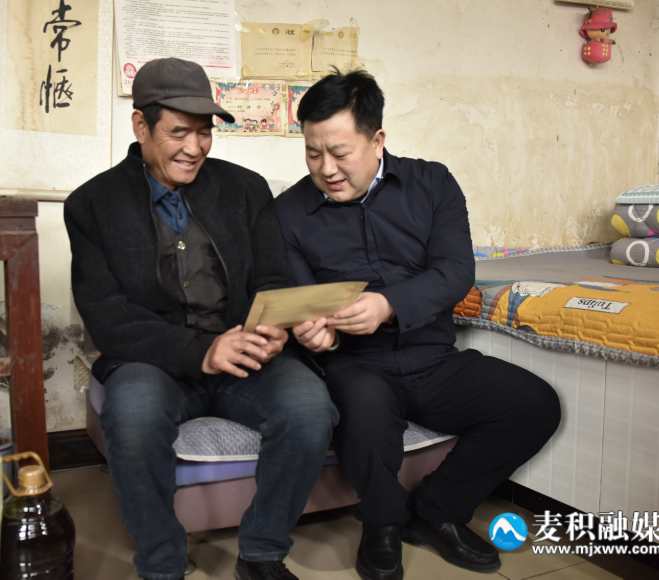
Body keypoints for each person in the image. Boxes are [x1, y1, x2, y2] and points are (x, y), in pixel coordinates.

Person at [276, 70, 561, 580]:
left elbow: (455, 271)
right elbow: (299, 301)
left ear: (377, 139)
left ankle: (435, 511)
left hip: (433, 357)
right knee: (364, 408)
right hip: (354, 362)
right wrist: (310, 330)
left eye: (339, 152)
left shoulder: (432, 184)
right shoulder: (288, 212)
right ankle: (381, 524)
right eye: (312, 153)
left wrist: (388, 305)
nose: (326, 168)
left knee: (534, 404)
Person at [64, 57, 338, 580]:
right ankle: (162, 563)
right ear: (141, 126)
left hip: (244, 353)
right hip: (153, 361)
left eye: (205, 132)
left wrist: (273, 326)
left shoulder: (246, 189)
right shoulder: (92, 204)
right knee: (134, 415)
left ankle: (262, 552)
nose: (195, 147)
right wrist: (200, 352)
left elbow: (272, 277)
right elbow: (107, 316)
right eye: (178, 132)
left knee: (309, 407)